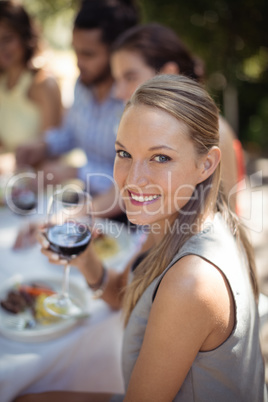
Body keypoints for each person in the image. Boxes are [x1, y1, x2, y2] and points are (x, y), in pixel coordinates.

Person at [15, 75, 267, 401]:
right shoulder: (175, 220)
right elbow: (124, 296)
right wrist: (85, 260)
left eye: (160, 158)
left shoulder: (192, 281)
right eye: (124, 153)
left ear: (206, 164)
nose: (133, 180)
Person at [15, 0, 139, 208]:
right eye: (76, 51)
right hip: (85, 203)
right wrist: (43, 145)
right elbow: (72, 132)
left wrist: (77, 171)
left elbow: (134, 178)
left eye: (88, 54)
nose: (78, 62)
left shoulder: (133, 99)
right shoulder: (82, 85)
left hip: (123, 214)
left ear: (117, 52)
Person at [110, 23, 245, 212]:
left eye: (130, 77)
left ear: (168, 73)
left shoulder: (216, 131)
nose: (118, 92)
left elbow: (227, 213)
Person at [0, 0, 62, 153]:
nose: (1, 48)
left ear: (25, 37)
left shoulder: (43, 84)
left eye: (7, 39)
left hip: (38, 174)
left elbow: (50, 150)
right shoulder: (2, 82)